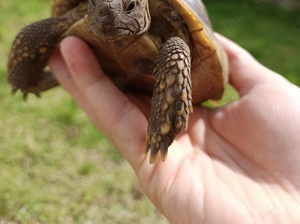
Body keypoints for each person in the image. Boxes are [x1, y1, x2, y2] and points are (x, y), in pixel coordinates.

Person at [49, 34, 300, 223]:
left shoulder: (175, 44)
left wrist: (162, 126)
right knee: (68, 47)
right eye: (98, 4)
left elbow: (179, 45)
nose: (111, 14)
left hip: (175, 68)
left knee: (175, 47)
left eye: (130, 7)